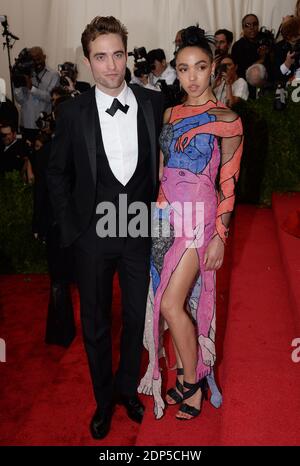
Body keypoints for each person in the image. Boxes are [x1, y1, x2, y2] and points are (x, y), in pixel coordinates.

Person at [47, 16, 163, 439]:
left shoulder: (153, 103)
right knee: (95, 324)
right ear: (86, 61)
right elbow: (56, 173)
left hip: (137, 231)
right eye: (101, 57)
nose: (111, 66)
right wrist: (71, 228)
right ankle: (102, 400)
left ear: (126, 54)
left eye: (117, 54)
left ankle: (128, 389)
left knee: (135, 318)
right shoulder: (72, 112)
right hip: (91, 237)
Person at [138, 26, 243, 420]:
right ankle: (187, 374)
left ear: (213, 67)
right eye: (183, 69)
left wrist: (220, 236)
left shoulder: (227, 118)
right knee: (169, 301)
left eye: (200, 67)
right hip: (165, 216)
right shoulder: (170, 112)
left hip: (199, 218)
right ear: (176, 73)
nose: (192, 77)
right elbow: (164, 171)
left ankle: (193, 382)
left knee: (170, 303)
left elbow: (228, 182)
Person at [14, 46, 59, 142]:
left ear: (44, 57)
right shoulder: (26, 73)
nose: (36, 62)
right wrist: (17, 84)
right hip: (25, 123)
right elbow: (20, 100)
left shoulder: (53, 75)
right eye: (33, 60)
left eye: (38, 59)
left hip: (42, 125)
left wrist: (32, 88)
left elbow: (50, 98)